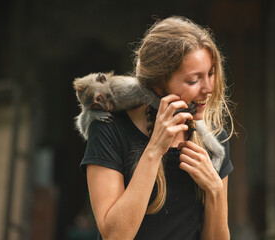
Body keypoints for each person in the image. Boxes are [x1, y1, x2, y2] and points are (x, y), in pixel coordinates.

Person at [80, 16, 234, 240]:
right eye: (193, 81)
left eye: (210, 74)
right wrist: (154, 150)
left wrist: (215, 191)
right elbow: (115, 236)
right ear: (158, 84)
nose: (209, 88)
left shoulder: (213, 140)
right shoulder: (109, 130)